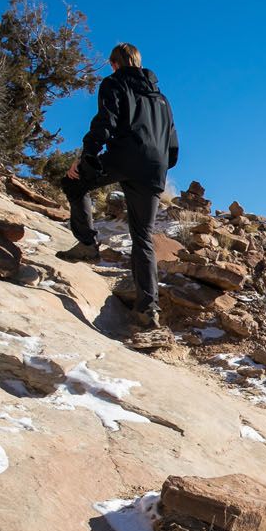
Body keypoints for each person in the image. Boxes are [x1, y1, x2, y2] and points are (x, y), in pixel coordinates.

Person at [56, 42, 179, 331]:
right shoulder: (161, 98)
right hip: (155, 167)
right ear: (138, 62)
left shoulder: (114, 83)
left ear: (114, 64)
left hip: (124, 157)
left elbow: (105, 121)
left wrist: (87, 157)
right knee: (143, 236)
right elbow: (172, 147)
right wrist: (157, 167)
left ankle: (87, 244)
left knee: (73, 183)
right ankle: (148, 310)